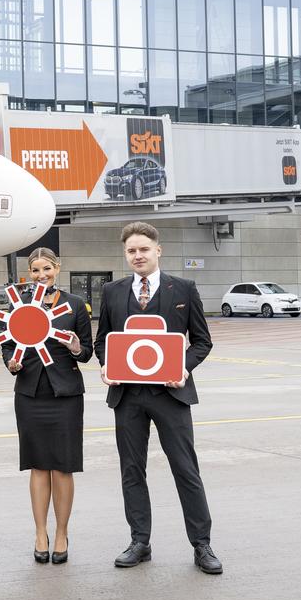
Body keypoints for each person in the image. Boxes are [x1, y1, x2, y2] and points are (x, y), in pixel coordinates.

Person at [94, 221, 222, 574]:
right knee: (132, 471)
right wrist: (105, 365)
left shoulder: (183, 288)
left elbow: (202, 341)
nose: (138, 255)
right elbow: (102, 340)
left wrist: (183, 368)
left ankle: (202, 544)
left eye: (144, 249)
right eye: (132, 250)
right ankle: (140, 540)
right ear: (126, 254)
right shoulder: (112, 292)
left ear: (157, 250)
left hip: (172, 394)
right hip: (128, 396)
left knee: (186, 470)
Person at [1, 247, 92, 565]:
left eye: (47, 269)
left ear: (58, 267)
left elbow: (87, 353)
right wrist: (11, 363)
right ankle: (40, 533)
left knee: (63, 467)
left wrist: (76, 346)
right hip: (30, 393)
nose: (42, 275)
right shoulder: (20, 304)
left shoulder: (75, 305)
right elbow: (8, 346)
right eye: (35, 270)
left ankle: (62, 533)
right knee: (38, 465)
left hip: (65, 393)